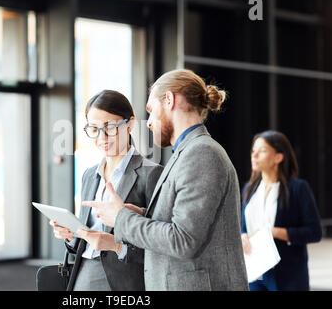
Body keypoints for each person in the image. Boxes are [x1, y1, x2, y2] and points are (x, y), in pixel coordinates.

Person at [82, 69, 249, 291]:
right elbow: (180, 224)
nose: (149, 122)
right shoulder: (186, 153)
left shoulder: (201, 154)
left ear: (169, 100)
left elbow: (184, 240)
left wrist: (121, 218)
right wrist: (140, 214)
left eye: (151, 111)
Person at [51, 89, 163, 291]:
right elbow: (85, 237)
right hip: (83, 273)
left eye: (110, 127)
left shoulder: (151, 174)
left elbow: (161, 244)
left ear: (129, 124)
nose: (102, 137)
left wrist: (114, 245)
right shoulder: (89, 174)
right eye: (93, 129)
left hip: (126, 279)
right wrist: (70, 235)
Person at [241, 130, 322, 291]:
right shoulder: (249, 189)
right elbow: (244, 226)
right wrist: (242, 236)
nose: (254, 155)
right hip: (255, 273)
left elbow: (314, 232)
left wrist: (275, 232)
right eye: (253, 150)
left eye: (262, 150)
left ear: (278, 157)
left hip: (287, 275)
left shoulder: (298, 189)